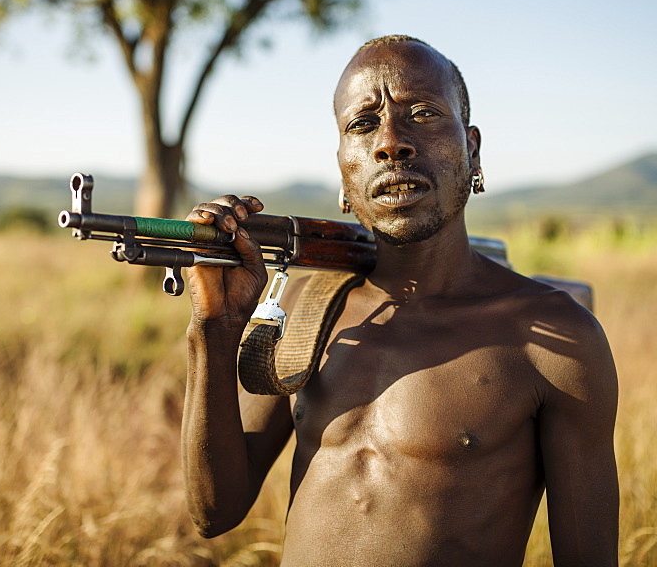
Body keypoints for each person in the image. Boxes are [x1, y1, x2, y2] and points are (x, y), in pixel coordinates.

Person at [180, 35, 619, 566]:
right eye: (363, 125)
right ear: (344, 169)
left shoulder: (554, 338)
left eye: (424, 114)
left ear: (473, 148)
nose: (391, 142)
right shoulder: (307, 308)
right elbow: (214, 512)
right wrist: (215, 329)